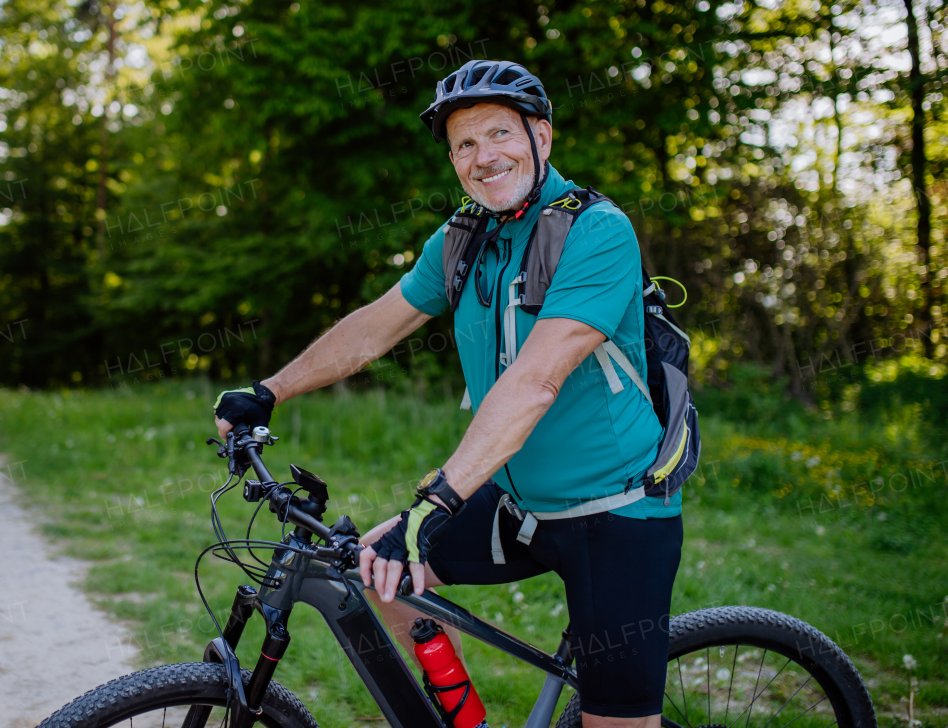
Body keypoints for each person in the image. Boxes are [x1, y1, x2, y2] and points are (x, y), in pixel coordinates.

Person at [214, 60, 682, 728]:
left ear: (541, 137)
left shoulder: (595, 232)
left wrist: (438, 500)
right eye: (465, 144)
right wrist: (269, 389)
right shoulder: (466, 236)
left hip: (617, 513)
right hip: (521, 502)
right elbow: (378, 324)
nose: (482, 156)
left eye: (499, 133)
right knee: (382, 568)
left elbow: (534, 381)